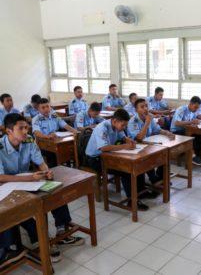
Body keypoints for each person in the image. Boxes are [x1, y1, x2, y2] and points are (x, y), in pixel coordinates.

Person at [0, 114, 84, 266]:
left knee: (54, 191)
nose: (26, 131)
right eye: (21, 128)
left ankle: (61, 229)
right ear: (9, 131)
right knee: (26, 210)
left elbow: (40, 162)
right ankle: (41, 242)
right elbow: (1, 177)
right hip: (6, 188)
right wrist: (29, 178)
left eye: (27, 127)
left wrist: (47, 171)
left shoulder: (29, 141)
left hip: (27, 181)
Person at [85, 109, 157, 211]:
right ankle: (131, 201)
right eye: (123, 125)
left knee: (138, 164)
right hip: (95, 159)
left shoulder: (117, 126)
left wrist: (130, 140)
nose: (123, 128)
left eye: (125, 126)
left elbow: (123, 137)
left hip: (109, 156)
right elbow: (104, 148)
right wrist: (125, 146)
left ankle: (141, 192)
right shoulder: (102, 128)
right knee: (126, 170)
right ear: (114, 121)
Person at [128, 98, 174, 185]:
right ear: (136, 110)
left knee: (164, 153)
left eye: (146, 106)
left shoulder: (149, 117)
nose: (145, 108)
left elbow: (157, 129)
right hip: (137, 148)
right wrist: (147, 122)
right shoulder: (133, 121)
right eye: (142, 107)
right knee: (149, 158)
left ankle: (160, 177)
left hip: (148, 145)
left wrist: (167, 133)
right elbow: (139, 138)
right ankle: (153, 178)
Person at [32, 98, 78, 167]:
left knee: (71, 147)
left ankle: (69, 168)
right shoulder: (36, 119)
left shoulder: (54, 115)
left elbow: (64, 125)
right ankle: (55, 170)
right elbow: (36, 133)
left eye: (47, 106)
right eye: (43, 107)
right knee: (54, 155)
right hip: (43, 144)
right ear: (38, 109)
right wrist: (47, 136)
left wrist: (76, 132)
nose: (46, 109)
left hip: (56, 139)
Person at [171, 96, 201, 166]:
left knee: (200, 137)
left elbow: (192, 121)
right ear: (190, 104)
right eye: (195, 107)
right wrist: (191, 122)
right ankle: (192, 156)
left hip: (186, 130)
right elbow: (177, 123)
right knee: (190, 138)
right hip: (177, 131)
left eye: (198, 108)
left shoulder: (193, 111)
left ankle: (197, 156)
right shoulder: (181, 109)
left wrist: (196, 122)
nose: (196, 109)